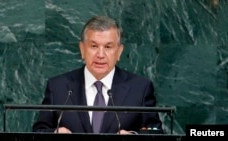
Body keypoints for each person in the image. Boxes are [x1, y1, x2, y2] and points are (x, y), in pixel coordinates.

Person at [32, 15, 164, 134]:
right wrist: (54, 133)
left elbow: (155, 130)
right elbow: (39, 131)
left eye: (108, 47)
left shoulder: (140, 88)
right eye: (94, 46)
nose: (100, 55)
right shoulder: (58, 87)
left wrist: (134, 136)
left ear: (119, 52)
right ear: (82, 49)